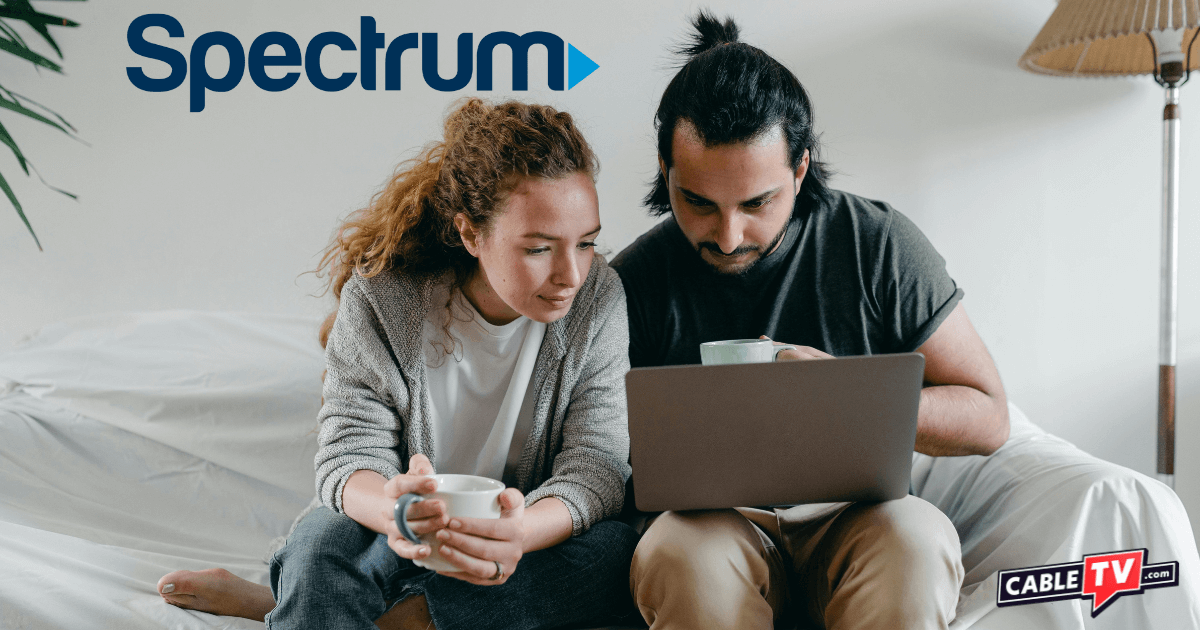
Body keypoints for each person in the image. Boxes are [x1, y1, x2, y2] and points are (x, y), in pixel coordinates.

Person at [155, 98, 640, 630]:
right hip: (397, 532)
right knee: (322, 543)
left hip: (519, 543)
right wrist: (397, 511)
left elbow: (597, 466)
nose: (571, 274)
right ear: (470, 233)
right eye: (540, 248)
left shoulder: (599, 299)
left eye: (587, 242)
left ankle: (353, 616)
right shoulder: (384, 297)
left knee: (616, 553)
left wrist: (519, 530)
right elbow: (347, 453)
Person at [611, 12, 1010, 630]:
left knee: (918, 540)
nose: (728, 236)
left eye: (756, 202)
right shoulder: (634, 279)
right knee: (678, 554)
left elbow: (988, 417)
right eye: (698, 203)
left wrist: (847, 397)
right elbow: (592, 446)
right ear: (667, 172)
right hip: (712, 522)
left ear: (799, 169)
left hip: (858, 515)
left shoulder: (877, 244)